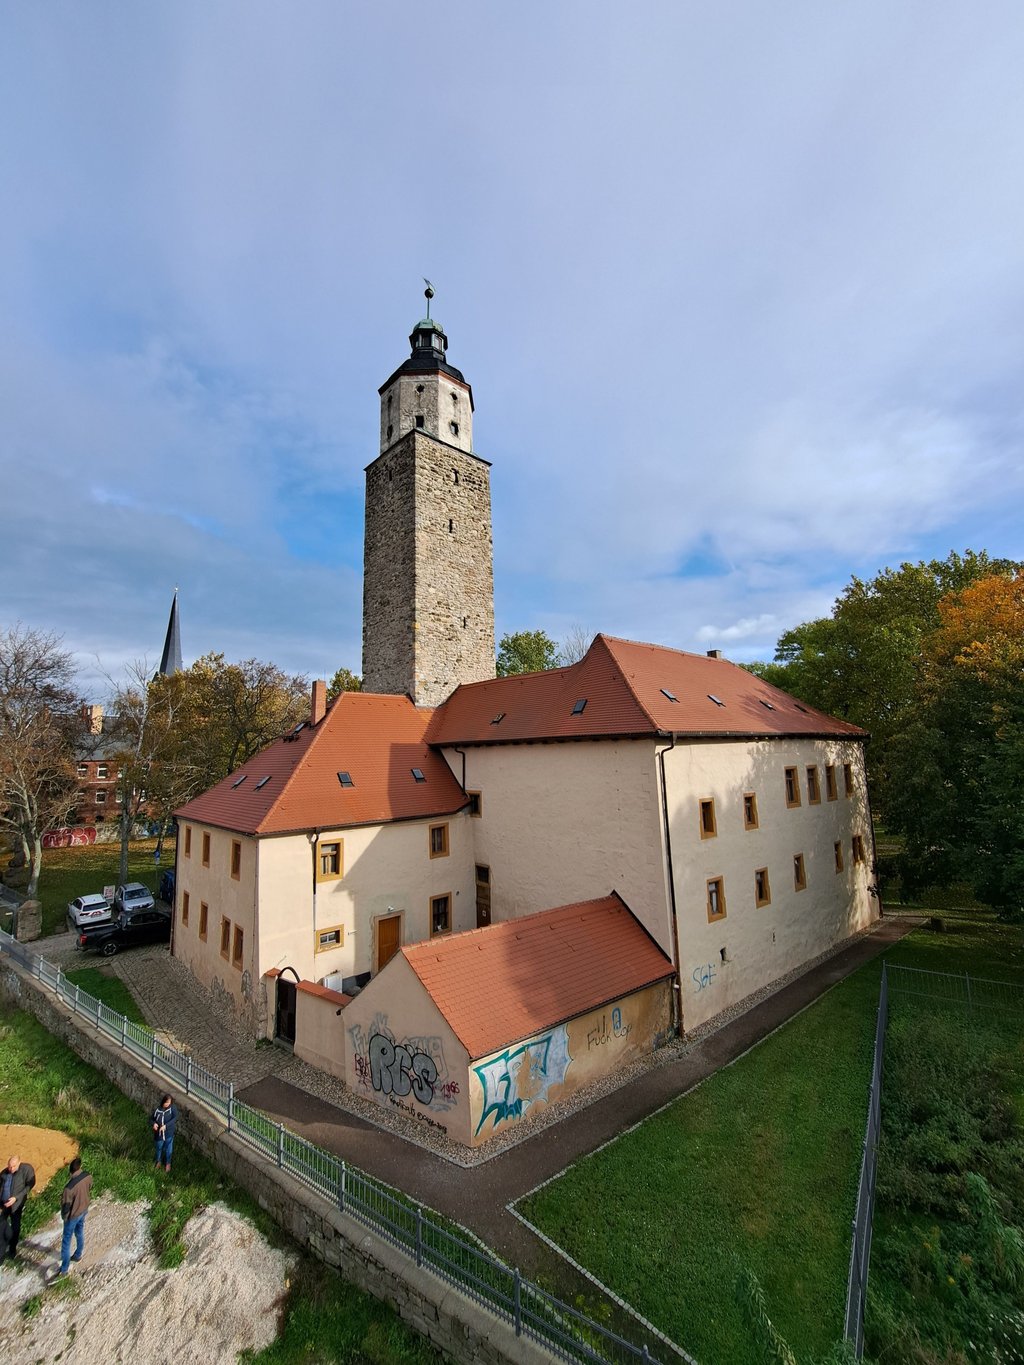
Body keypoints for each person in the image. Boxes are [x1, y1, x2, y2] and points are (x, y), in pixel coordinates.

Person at [57, 1157, 92, 1277]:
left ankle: (64, 1269)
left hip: (73, 1216)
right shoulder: (87, 1176)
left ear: (70, 1171)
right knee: (80, 1232)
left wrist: (64, 1217)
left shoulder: (69, 1188)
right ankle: (78, 1255)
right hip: (84, 1209)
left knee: (66, 1242)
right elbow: (89, 1188)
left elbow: (66, 1206)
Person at [0, 1155, 37, 1263]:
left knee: (15, 1228)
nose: (10, 1169)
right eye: (9, 1166)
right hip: (3, 1205)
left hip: (16, 1206)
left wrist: (16, 1198)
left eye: (13, 1166)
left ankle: (12, 1249)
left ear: (19, 1163)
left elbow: (30, 1184)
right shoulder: (4, 1173)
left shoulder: (26, 1169)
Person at [151, 1094, 178, 1172]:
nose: (168, 1104)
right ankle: (158, 1161)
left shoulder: (172, 1108)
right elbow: (151, 1119)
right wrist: (154, 1124)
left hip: (168, 1133)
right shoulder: (158, 1110)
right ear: (163, 1102)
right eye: (166, 1102)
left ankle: (168, 1163)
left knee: (168, 1149)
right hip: (159, 1134)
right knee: (159, 1148)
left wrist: (166, 1126)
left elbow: (175, 1118)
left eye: (169, 1103)